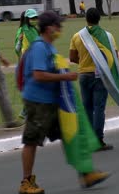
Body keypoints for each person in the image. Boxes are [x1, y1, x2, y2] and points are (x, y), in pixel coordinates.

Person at [19, 11, 109, 194]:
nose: (60, 29)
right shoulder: (39, 47)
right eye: (57, 25)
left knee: (71, 135)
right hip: (38, 103)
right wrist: (66, 77)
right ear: (49, 28)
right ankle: (26, 183)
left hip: (53, 102)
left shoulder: (48, 47)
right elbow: (38, 74)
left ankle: (86, 173)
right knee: (32, 141)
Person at [69, 7, 119, 151]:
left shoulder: (77, 36)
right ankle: (98, 140)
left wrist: (83, 62)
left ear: (86, 19)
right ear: (99, 19)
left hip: (83, 75)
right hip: (100, 76)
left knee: (87, 108)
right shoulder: (107, 36)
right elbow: (114, 56)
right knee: (99, 108)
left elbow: (72, 57)